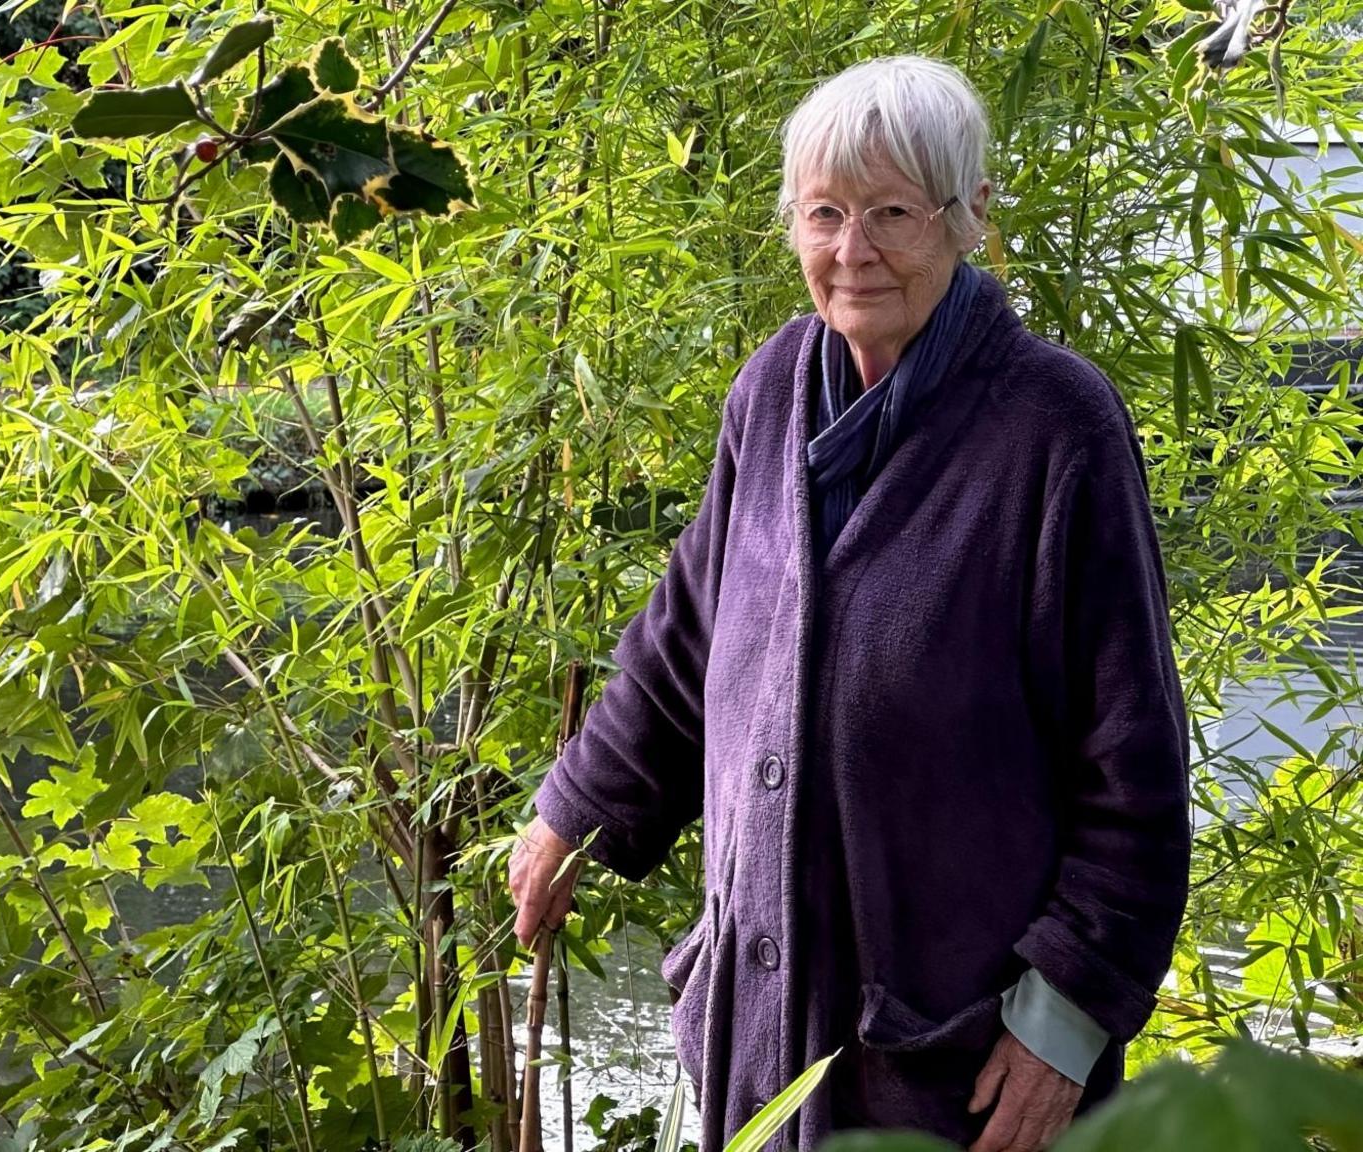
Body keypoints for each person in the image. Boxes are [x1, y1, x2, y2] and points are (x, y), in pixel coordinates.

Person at [507, 55, 1190, 1152]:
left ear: (967, 218)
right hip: (760, 1045)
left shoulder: (1054, 428)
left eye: (890, 213)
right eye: (822, 213)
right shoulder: (772, 387)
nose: (850, 250)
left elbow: (1135, 772)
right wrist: (572, 813)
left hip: (950, 1070)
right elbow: (688, 641)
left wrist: (1065, 1018)